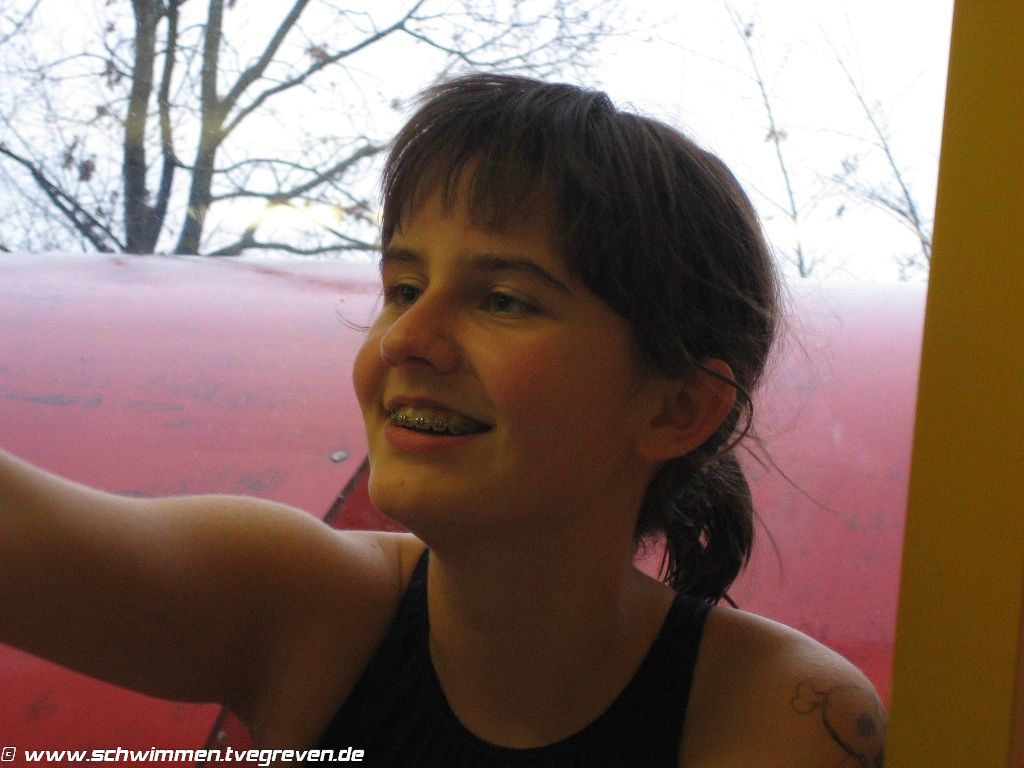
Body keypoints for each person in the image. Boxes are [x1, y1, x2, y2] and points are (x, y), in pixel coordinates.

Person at [0, 74, 885, 766]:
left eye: (502, 300)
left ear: (678, 407)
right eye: (403, 288)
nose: (404, 340)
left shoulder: (783, 712)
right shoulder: (308, 604)